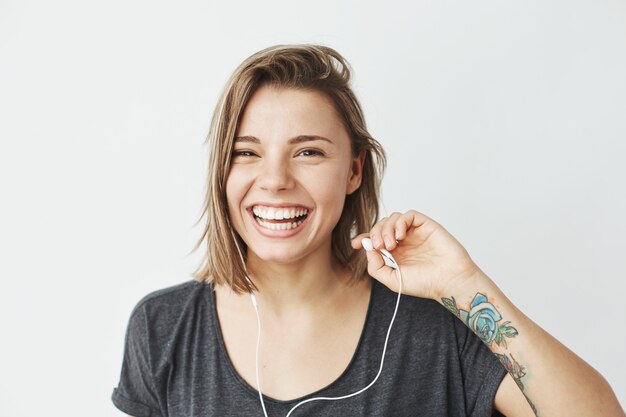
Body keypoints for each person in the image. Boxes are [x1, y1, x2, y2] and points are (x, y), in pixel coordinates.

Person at [111, 44, 624, 417]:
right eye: (247, 153)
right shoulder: (163, 329)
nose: (274, 180)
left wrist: (466, 287)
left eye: (308, 151)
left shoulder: (434, 326)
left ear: (354, 171)